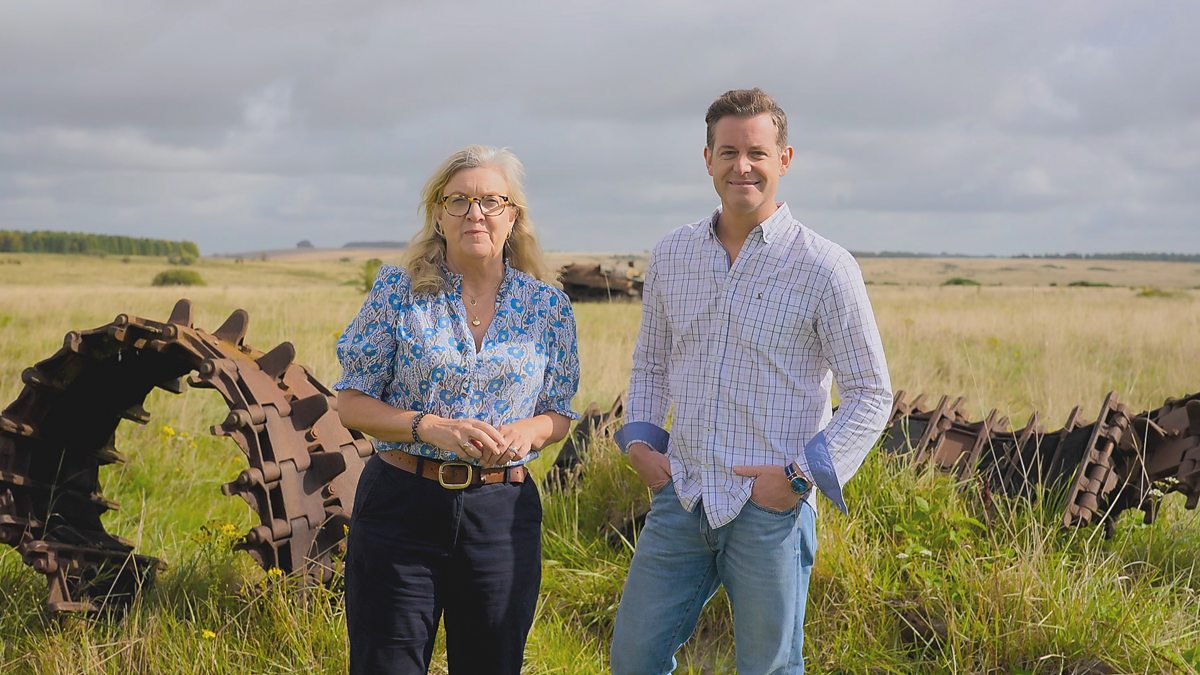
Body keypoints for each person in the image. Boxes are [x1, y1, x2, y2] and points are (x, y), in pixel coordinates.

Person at [610, 88, 893, 674]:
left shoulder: (825, 267)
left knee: (769, 668)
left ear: (784, 159)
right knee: (633, 659)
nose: (743, 166)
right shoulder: (672, 255)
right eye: (729, 152)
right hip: (682, 495)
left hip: (771, 511)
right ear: (708, 159)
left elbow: (871, 395)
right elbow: (652, 364)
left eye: (757, 153)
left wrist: (796, 479)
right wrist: (640, 444)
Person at [334, 145, 580, 674]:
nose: (476, 213)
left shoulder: (548, 307)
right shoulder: (397, 293)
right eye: (459, 201)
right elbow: (350, 402)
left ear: (513, 217)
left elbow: (558, 411)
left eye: (492, 201)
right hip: (401, 505)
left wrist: (529, 431)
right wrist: (428, 427)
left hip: (501, 514)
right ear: (438, 215)